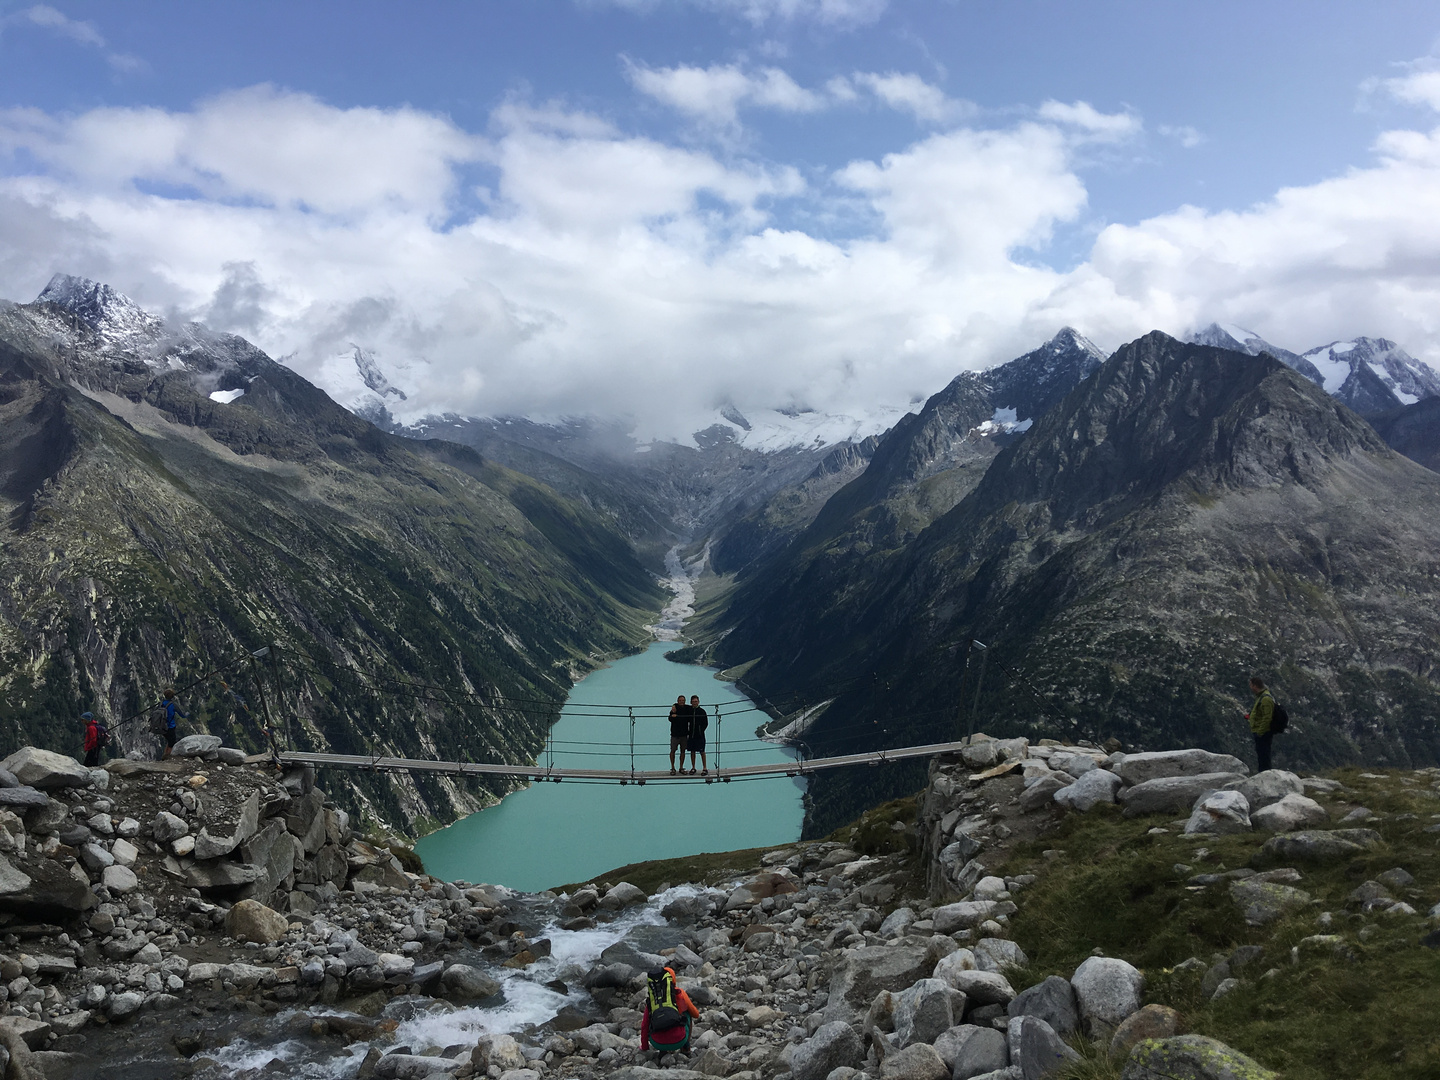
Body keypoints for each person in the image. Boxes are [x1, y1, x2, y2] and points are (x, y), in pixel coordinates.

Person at [640, 966, 699, 1054]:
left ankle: (662, 1051)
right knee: (687, 1013)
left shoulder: (653, 1000)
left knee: (652, 1017)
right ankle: (685, 1047)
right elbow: (696, 1014)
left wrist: (644, 1047)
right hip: (680, 1040)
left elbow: (644, 1026)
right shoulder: (679, 993)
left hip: (657, 1043)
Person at [1244, 676, 1275, 772]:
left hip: (1263, 733)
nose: (1250, 687)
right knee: (1261, 755)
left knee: (1264, 756)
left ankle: (1265, 774)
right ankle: (1262, 773)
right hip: (1259, 731)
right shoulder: (1260, 697)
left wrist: (1260, 732)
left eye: (1250, 685)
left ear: (1254, 685)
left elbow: (1267, 717)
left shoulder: (1265, 698)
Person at [160, 688, 188, 759]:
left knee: (169, 741)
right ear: (172, 696)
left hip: (162, 726)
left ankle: (165, 755)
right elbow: (182, 715)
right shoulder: (173, 705)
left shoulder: (162, 703)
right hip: (170, 727)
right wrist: (187, 714)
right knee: (172, 743)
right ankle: (167, 757)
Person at [668, 694, 691, 775]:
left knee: (683, 751)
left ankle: (681, 767)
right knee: (673, 751)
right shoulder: (674, 708)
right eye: (680, 700)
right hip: (675, 735)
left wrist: (677, 716)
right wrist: (673, 715)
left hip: (684, 734)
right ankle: (673, 768)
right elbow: (670, 718)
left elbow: (691, 714)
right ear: (678, 701)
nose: (682, 702)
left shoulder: (687, 708)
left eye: (683, 701)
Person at [687, 695, 709, 776]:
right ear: (691, 702)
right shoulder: (689, 710)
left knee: (702, 751)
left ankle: (705, 768)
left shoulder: (702, 711)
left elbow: (706, 723)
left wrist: (700, 731)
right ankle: (693, 767)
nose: (694, 703)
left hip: (700, 736)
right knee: (692, 751)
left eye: (696, 701)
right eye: (693, 702)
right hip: (691, 735)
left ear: (698, 702)